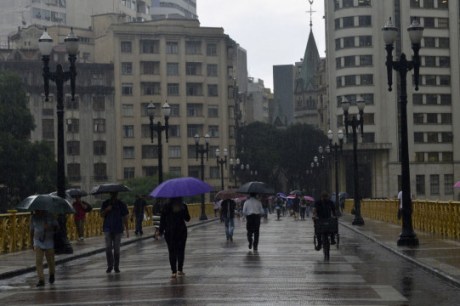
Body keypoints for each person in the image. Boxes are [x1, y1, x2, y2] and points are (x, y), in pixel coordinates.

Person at [157, 197, 191, 278]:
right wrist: (182, 211)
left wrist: (160, 231)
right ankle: (180, 269)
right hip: (181, 231)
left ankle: (173, 272)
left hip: (169, 232)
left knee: (172, 251)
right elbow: (188, 219)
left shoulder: (166, 206)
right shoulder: (183, 206)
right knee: (181, 250)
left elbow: (162, 221)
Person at [100, 192, 129, 273]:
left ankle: (116, 266)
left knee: (116, 249)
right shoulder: (105, 203)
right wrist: (106, 209)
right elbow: (101, 215)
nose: (113, 196)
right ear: (110, 194)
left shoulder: (121, 204)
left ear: (117, 195)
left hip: (118, 229)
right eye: (112, 194)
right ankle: (110, 266)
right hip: (107, 228)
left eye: (115, 194)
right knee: (108, 248)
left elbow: (125, 216)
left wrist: (127, 229)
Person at [30, 210, 59, 287]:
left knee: (51, 261)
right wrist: (31, 243)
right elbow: (31, 230)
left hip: (49, 241)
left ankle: (52, 274)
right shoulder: (33, 217)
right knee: (38, 261)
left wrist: (50, 227)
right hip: (38, 241)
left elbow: (57, 227)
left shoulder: (50, 216)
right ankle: (41, 279)